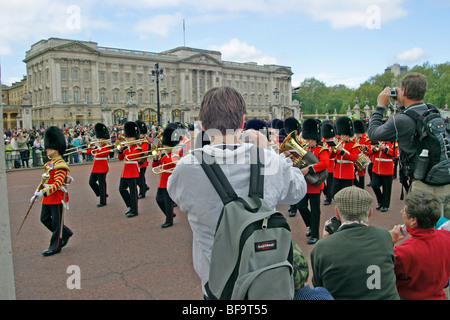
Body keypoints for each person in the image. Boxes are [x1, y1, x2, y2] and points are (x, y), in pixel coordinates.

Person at [167, 86, 307, 298]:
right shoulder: (268, 159)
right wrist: (268, 149)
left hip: (217, 285)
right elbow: (298, 190)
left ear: (203, 125)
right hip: (266, 280)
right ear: (242, 122)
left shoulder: (187, 167)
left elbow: (178, 198)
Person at [368, 72, 450, 218]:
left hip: (424, 186)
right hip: (445, 181)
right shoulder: (434, 110)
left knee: (425, 234)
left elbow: (373, 134)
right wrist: (401, 104)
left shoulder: (400, 120)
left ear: (403, 91)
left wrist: (380, 106)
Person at [310, 186, 399, 300]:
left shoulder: (322, 247)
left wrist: (326, 240)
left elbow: (319, 288)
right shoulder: (384, 236)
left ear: (337, 213)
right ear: (370, 212)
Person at [390, 189, 450, 300]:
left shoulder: (402, 252)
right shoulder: (447, 237)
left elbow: (383, 271)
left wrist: (389, 242)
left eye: (404, 211)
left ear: (413, 220)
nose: (402, 213)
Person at [31, 126, 73, 256]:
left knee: (56, 222)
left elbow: (57, 183)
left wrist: (43, 192)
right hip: (48, 197)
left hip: (56, 197)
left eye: (49, 147)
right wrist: (36, 192)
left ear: (56, 148)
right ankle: (64, 232)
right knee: (44, 219)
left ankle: (55, 247)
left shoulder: (60, 164)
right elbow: (45, 179)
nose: (46, 149)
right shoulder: (51, 163)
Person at [295, 118, 329, 244]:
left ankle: (315, 235)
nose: (307, 141)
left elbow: (325, 163)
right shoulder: (304, 150)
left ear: (315, 138)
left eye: (309, 138)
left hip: (315, 184)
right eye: (306, 138)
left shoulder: (321, 150)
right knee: (301, 206)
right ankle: (311, 225)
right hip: (305, 184)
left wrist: (309, 169)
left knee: (315, 211)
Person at [152, 123, 181, 228]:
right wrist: (156, 158)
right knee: (158, 199)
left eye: (165, 145)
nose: (163, 147)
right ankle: (170, 214)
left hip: (170, 179)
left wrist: (164, 154)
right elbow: (155, 165)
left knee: (168, 201)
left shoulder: (175, 154)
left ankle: (169, 220)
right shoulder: (164, 154)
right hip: (162, 180)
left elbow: (173, 163)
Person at [330, 116, 359, 199]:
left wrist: (342, 151)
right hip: (337, 173)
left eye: (344, 134)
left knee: (347, 196)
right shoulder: (339, 143)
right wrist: (333, 149)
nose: (342, 136)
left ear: (348, 134)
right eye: (341, 134)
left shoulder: (354, 145)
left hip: (348, 174)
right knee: (334, 194)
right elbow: (331, 157)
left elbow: (353, 158)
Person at [117, 121, 141, 218]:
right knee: (121, 189)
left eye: (130, 137)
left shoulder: (137, 148)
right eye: (127, 137)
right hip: (125, 172)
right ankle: (130, 206)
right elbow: (120, 158)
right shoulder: (127, 149)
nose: (128, 139)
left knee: (133, 192)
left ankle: (134, 210)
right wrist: (120, 150)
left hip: (133, 171)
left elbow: (132, 157)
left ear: (135, 138)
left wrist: (126, 150)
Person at [85, 123, 111, 207]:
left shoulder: (107, 146)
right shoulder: (98, 146)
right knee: (91, 182)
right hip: (96, 166)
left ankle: (103, 201)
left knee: (102, 184)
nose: (99, 140)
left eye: (101, 138)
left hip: (102, 166)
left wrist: (98, 147)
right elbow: (91, 151)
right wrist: (82, 151)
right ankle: (102, 194)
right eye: (99, 138)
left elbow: (101, 154)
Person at [370, 140, 398, 212]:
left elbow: (395, 154)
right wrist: (373, 149)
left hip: (387, 169)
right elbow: (369, 152)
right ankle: (380, 201)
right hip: (376, 168)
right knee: (374, 185)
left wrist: (385, 148)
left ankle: (385, 205)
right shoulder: (377, 142)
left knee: (386, 188)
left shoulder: (392, 143)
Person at [321, 122, 336, 205]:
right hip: (323, 165)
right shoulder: (322, 141)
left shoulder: (333, 143)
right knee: (322, 182)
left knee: (330, 183)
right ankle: (327, 194)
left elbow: (331, 155)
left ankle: (329, 198)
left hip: (330, 165)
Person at [353, 119, 370, 189]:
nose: (357, 134)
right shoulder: (353, 138)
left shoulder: (365, 138)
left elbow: (369, 150)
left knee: (361, 174)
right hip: (353, 157)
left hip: (361, 158)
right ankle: (358, 185)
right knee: (351, 174)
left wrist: (365, 147)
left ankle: (361, 188)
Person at [135, 120, 150, 199]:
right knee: (138, 178)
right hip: (136, 162)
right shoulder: (137, 141)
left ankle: (142, 193)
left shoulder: (145, 141)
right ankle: (145, 187)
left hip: (142, 162)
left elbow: (142, 151)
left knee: (140, 178)